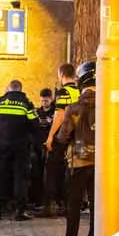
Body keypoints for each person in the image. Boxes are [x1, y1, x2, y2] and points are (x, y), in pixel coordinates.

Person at [50, 64, 97, 236]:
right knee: (97, 207)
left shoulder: (75, 108)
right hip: (101, 164)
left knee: (74, 205)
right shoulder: (109, 108)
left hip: (79, 162)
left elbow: (63, 136)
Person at [0, 78, 36, 221]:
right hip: (21, 148)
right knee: (21, 179)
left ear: (9, 88)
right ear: (20, 89)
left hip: (1, 147)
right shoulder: (26, 104)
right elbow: (35, 125)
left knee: (0, 177)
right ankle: (19, 212)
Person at [43, 62, 79, 216]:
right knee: (70, 172)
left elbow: (60, 115)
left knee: (51, 170)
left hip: (63, 136)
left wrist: (50, 136)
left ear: (62, 75)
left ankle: (50, 206)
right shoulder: (80, 90)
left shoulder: (64, 92)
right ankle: (67, 205)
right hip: (77, 137)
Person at [28, 86, 56, 213]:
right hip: (38, 147)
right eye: (42, 101)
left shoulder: (55, 112)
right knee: (37, 174)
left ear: (51, 99)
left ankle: (50, 201)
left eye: (46, 101)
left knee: (50, 175)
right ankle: (38, 200)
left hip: (51, 147)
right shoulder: (37, 112)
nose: (44, 103)